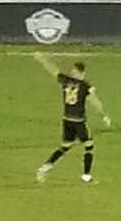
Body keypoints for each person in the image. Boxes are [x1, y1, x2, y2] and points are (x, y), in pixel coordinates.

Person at [34, 54, 111, 184]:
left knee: (65, 146)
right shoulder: (85, 86)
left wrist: (42, 60)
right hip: (78, 121)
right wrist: (104, 115)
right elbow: (95, 102)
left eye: (73, 70)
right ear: (83, 72)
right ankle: (86, 176)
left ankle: (44, 168)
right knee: (89, 146)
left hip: (67, 119)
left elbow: (53, 70)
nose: (72, 72)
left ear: (77, 71)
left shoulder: (66, 81)